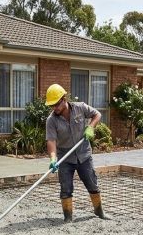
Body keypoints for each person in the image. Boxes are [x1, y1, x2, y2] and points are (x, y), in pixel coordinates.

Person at [45, 83, 109, 222]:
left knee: (92, 183)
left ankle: (99, 212)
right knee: (66, 188)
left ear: (64, 99)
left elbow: (97, 114)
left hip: (83, 154)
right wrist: (53, 159)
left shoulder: (80, 107)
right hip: (65, 158)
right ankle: (68, 218)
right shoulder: (51, 120)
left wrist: (91, 127)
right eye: (52, 105)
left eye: (56, 104)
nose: (54, 108)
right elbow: (51, 141)